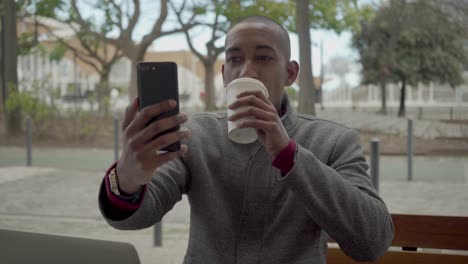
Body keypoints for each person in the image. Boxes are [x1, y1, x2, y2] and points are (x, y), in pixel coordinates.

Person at [98, 15, 394, 263]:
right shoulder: (196, 135)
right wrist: (128, 178)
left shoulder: (333, 140)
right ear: (225, 74)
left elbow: (372, 242)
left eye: (264, 57)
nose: (247, 70)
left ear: (290, 73)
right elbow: (135, 217)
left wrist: (289, 155)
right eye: (235, 59)